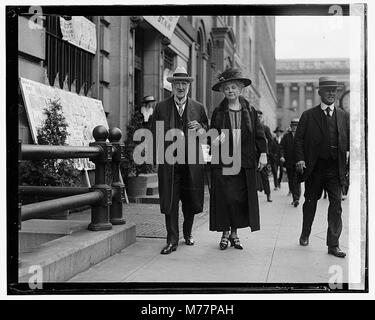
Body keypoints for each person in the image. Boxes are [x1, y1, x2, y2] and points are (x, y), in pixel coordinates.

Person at [150, 66, 209, 254]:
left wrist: (200, 127)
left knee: (190, 201)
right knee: (170, 202)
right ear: (172, 87)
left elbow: (207, 131)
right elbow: (154, 133)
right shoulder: (161, 107)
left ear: (188, 86)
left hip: (192, 163)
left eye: (184, 83)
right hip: (170, 164)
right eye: (177, 84)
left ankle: (188, 233)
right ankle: (172, 240)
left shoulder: (198, 107)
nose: (180, 87)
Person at [209, 68, 267, 250]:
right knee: (225, 197)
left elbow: (259, 134)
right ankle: (225, 233)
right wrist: (216, 140)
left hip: (244, 162)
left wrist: (263, 153)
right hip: (224, 162)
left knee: (239, 199)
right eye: (227, 88)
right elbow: (212, 136)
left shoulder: (250, 111)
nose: (230, 91)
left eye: (233, 87)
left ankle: (235, 233)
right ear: (223, 91)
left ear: (240, 89)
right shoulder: (219, 112)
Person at [294, 77, 349, 258]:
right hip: (314, 168)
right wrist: (300, 159)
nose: (332, 93)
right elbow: (299, 140)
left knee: (336, 205)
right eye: (328, 90)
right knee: (310, 203)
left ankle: (333, 244)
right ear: (320, 93)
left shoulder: (342, 115)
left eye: (334, 90)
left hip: (335, 168)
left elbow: (348, 141)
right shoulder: (308, 115)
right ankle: (305, 232)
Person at [280, 119, 301, 207]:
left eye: (296, 127)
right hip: (288, 162)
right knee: (291, 180)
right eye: (293, 127)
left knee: (297, 180)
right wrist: (282, 156)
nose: (294, 128)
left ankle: (296, 198)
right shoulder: (286, 136)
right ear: (291, 127)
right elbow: (281, 147)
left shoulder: (301, 136)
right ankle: (294, 198)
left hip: (298, 162)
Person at [256, 110, 273, 202]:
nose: (258, 118)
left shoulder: (265, 128)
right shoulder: (250, 126)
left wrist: (266, 152)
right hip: (253, 155)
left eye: (259, 117)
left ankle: (268, 194)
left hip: (262, 155)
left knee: (265, 176)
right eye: (257, 116)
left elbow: (270, 141)